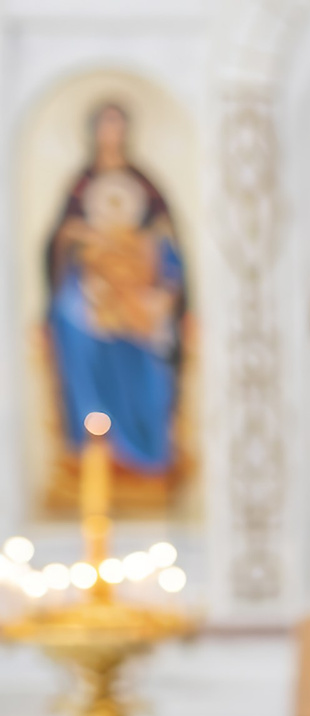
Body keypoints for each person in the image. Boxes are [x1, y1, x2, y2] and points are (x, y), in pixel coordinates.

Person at [46, 102, 186, 485]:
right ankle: (92, 439)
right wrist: (86, 237)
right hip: (94, 284)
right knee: (71, 316)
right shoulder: (82, 183)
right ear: (95, 131)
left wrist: (138, 254)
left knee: (153, 327)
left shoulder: (143, 182)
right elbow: (62, 237)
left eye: (117, 124)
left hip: (140, 282)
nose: (112, 132)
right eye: (105, 125)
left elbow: (167, 239)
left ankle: (149, 450)